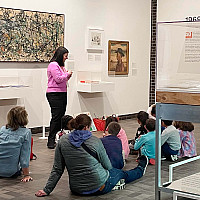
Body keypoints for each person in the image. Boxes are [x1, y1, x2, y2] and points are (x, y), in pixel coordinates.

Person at [35, 114, 148, 197]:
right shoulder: (94, 141)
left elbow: (57, 169)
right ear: (86, 127)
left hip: (76, 188)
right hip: (99, 186)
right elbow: (107, 166)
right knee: (121, 173)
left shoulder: (63, 141)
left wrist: (47, 190)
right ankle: (141, 169)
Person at [46, 46, 73, 149]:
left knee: (61, 116)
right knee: (56, 117)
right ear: (60, 55)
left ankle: (59, 136)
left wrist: (67, 75)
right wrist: (67, 74)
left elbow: (63, 78)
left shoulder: (61, 66)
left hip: (62, 93)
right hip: (54, 94)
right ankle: (51, 140)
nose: (66, 58)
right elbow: (58, 79)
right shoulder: (53, 65)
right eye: (65, 56)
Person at [0, 106, 32, 182]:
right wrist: (26, 175)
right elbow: (24, 156)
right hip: (10, 172)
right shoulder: (26, 133)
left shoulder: (3, 129)